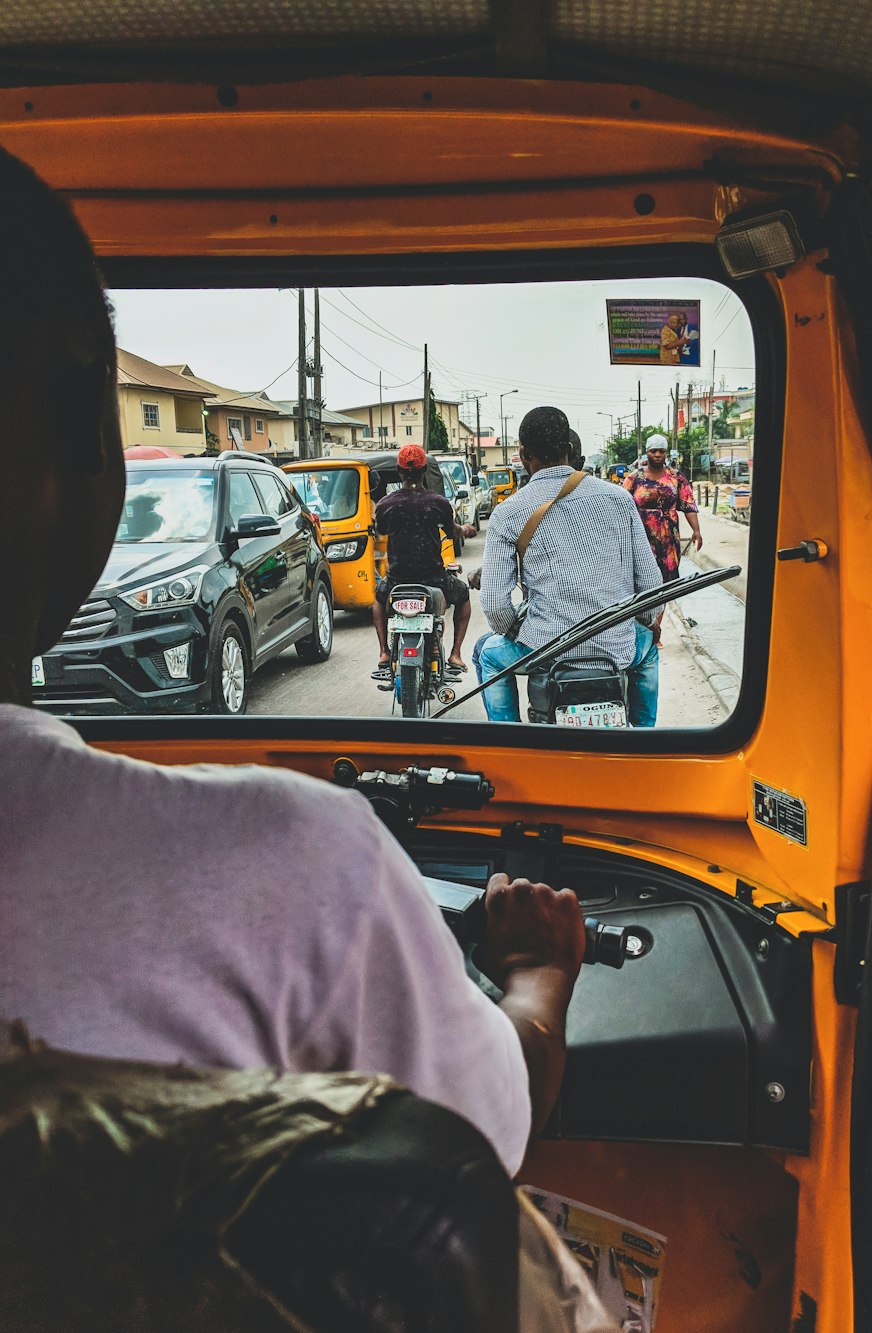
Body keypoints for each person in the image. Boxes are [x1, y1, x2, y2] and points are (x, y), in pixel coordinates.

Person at [0, 146, 587, 1181]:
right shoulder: (291, 868)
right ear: (81, 426)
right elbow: (486, 1134)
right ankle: (440, 664)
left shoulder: (390, 503)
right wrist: (537, 967)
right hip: (455, 623)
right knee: (462, 620)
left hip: (401, 599)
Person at [477, 406, 663, 726]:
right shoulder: (618, 498)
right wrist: (644, 622)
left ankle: (511, 743)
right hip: (615, 645)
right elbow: (651, 585)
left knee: (490, 656)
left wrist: (520, 631)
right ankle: (643, 740)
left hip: (545, 650)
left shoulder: (507, 513)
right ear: (569, 449)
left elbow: (495, 606)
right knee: (647, 652)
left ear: (523, 454)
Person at [370, 442, 476, 679]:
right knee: (464, 597)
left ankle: (384, 652)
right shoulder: (438, 503)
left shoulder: (386, 504)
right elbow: (452, 531)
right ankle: (456, 654)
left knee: (378, 600)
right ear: (424, 470)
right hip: (434, 578)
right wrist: (466, 530)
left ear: (399, 472)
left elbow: (381, 530)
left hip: (397, 579)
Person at [623, 432, 703, 582]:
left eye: (661, 451)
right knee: (644, 577)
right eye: (653, 451)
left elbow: (688, 505)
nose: (658, 454)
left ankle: (663, 606)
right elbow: (621, 505)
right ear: (647, 453)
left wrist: (696, 531)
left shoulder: (676, 477)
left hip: (669, 538)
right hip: (642, 536)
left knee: (667, 579)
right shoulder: (634, 478)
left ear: (666, 453)